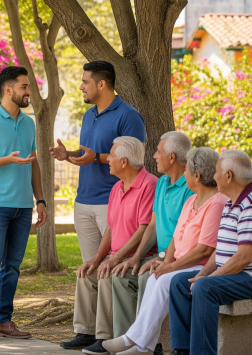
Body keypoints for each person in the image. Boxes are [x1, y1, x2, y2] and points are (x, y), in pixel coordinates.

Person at [51, 61, 146, 351]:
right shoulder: (88, 114)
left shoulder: (128, 116)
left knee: (108, 268)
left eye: (85, 82)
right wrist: (69, 154)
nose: (81, 86)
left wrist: (95, 158)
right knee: (90, 267)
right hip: (84, 200)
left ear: (101, 84)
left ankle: (109, 335)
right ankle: (87, 332)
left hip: (111, 202)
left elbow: (132, 157)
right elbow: (91, 153)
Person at [102, 147, 226, 355]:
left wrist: (171, 267)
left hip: (201, 266)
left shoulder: (217, 202)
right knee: (155, 277)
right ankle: (143, 347)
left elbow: (204, 250)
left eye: (186, 170)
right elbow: (176, 238)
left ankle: (133, 339)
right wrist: (166, 263)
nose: (184, 174)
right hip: (182, 263)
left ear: (196, 176)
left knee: (164, 280)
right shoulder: (192, 200)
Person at [169, 150, 252, 355]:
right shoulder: (232, 202)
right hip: (238, 274)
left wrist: (208, 279)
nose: (213, 177)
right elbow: (221, 250)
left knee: (205, 288)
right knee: (179, 282)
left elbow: (243, 257)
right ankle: (182, 350)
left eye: (216, 172)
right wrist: (202, 273)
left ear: (228, 176)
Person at [0, 66, 48, 342]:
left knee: (12, 266)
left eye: (29, 87)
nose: (29, 92)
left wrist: (40, 200)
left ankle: (3, 320)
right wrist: (7, 159)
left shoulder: (28, 123)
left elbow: (33, 163)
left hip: (23, 205)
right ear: (8, 89)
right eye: (24, 87)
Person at [75, 137, 158, 355]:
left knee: (107, 274)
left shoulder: (149, 185)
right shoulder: (116, 188)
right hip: (118, 255)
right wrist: (96, 259)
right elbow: (110, 229)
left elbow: (144, 229)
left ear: (124, 162)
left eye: (111, 155)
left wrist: (116, 259)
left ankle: (106, 338)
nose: (107, 159)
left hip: (141, 256)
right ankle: (86, 332)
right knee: (87, 272)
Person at [112, 132, 194, 313]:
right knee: (121, 274)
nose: (154, 156)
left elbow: (184, 236)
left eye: (158, 152)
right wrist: (136, 257)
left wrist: (161, 258)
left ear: (171, 157)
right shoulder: (162, 182)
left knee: (146, 276)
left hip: (179, 258)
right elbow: (153, 225)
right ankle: (129, 331)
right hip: (161, 255)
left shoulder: (191, 187)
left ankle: (147, 331)